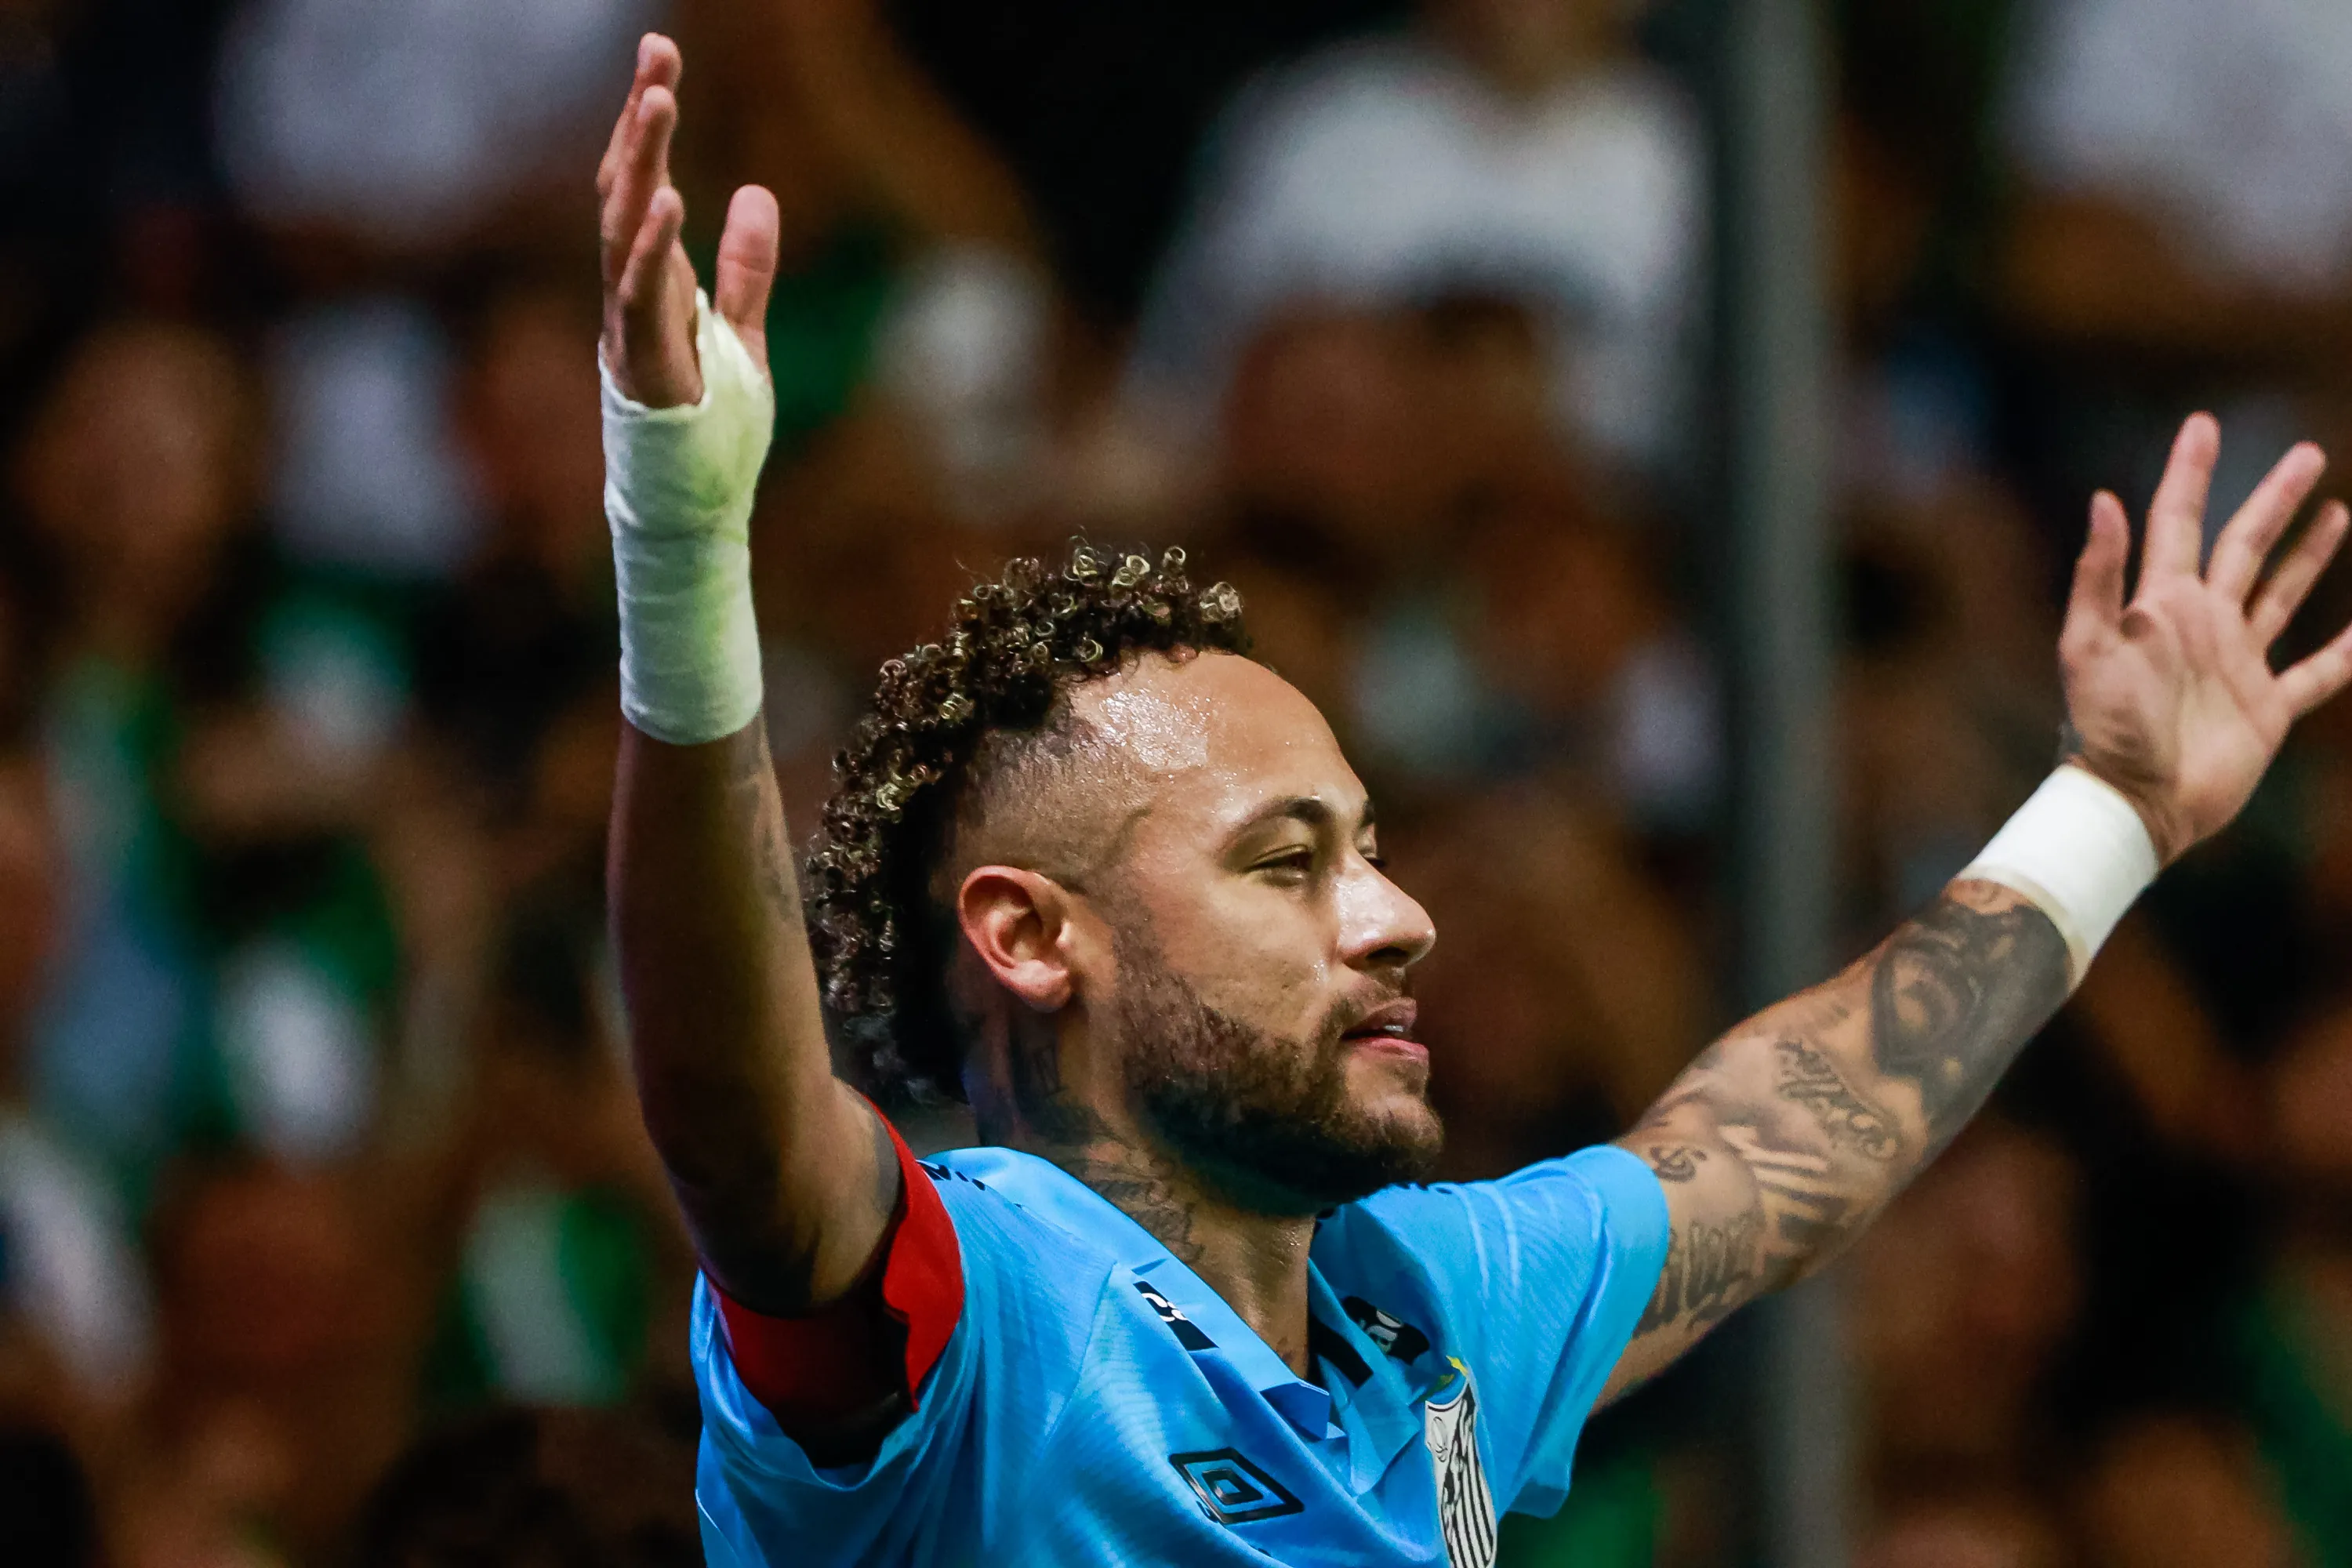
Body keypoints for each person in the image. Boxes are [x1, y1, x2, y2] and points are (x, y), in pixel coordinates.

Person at [593, 32, 2352, 1567]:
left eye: (1369, 848)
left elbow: (1793, 1125)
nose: (1396, 914)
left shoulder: (1430, 1308)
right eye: (1288, 864)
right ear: (1035, 937)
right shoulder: (970, 1311)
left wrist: (2112, 807)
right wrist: (682, 554)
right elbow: (743, 1127)